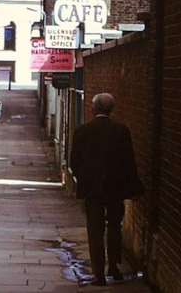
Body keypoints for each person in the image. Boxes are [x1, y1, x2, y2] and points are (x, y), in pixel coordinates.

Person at [70, 93, 143, 286]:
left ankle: (98, 275)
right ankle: (114, 266)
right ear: (111, 109)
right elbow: (129, 162)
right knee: (114, 227)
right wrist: (133, 186)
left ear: (94, 109)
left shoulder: (82, 131)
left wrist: (83, 179)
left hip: (92, 190)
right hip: (115, 189)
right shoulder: (121, 131)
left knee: (95, 230)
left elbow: (74, 162)